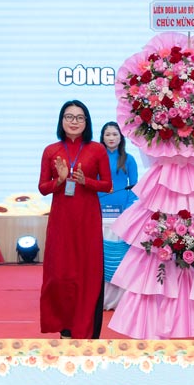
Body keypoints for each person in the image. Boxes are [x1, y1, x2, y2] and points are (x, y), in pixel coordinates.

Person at [38, 100, 111, 339]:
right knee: (60, 275)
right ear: (61, 121)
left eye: (80, 118)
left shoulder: (97, 149)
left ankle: (87, 329)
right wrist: (59, 181)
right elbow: (42, 188)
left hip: (87, 218)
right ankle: (65, 328)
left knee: (87, 273)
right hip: (61, 220)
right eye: (69, 117)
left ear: (86, 122)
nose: (74, 122)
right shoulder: (51, 150)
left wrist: (85, 181)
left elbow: (107, 184)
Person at [97, 121, 138, 212]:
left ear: (121, 137)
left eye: (115, 134)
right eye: (107, 135)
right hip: (98, 206)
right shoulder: (95, 158)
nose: (111, 138)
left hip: (122, 207)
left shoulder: (129, 159)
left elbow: (134, 187)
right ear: (103, 138)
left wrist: (128, 209)